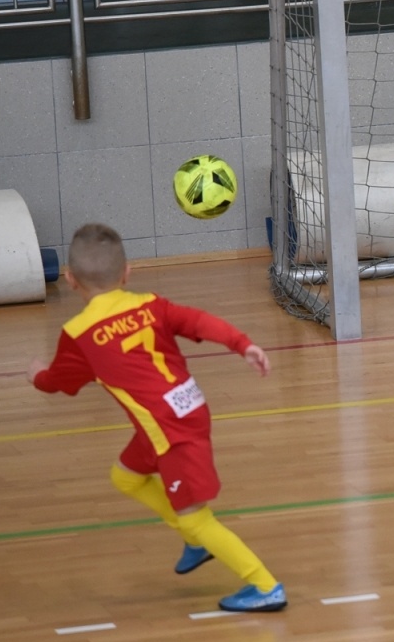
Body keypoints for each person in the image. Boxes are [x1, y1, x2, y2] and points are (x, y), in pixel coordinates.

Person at [29, 223, 286, 611]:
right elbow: (200, 321)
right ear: (127, 272)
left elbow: (56, 383)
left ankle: (265, 586)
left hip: (170, 430)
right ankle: (195, 542)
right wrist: (242, 344)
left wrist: (36, 375)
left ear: (69, 280)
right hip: (184, 411)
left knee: (195, 516)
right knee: (126, 475)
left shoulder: (78, 333)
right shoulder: (150, 304)